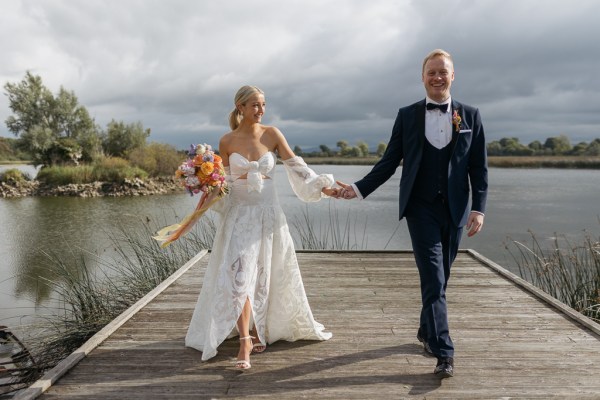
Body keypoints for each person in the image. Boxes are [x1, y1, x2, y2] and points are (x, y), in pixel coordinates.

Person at [336, 49, 488, 378]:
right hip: (419, 208)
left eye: (443, 72)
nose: (437, 77)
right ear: (422, 77)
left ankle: (426, 331)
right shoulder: (406, 115)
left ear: (452, 76)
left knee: (441, 279)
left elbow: (478, 165)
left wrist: (479, 208)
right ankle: (445, 352)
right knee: (433, 277)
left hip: (457, 209)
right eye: (431, 72)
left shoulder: (471, 116)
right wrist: (358, 188)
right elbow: (389, 161)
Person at [185, 85, 336, 369]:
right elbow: (224, 184)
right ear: (240, 107)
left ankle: (259, 329)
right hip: (239, 217)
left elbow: (296, 166)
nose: (261, 110)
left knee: (265, 274)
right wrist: (200, 198)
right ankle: (244, 340)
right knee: (238, 276)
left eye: (263, 104)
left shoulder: (273, 134)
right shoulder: (227, 141)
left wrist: (323, 187)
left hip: (269, 217)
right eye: (254, 104)